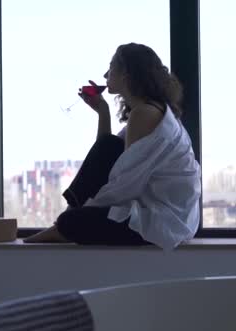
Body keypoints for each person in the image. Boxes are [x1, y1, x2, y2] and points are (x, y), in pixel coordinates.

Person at [24, 43, 201, 250]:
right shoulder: (150, 110)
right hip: (171, 217)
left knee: (72, 222)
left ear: (126, 74)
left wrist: (78, 214)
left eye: (111, 67)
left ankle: (61, 226)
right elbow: (106, 156)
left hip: (165, 222)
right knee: (109, 146)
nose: (106, 74)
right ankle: (64, 224)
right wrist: (102, 111)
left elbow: (124, 181)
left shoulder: (144, 114)